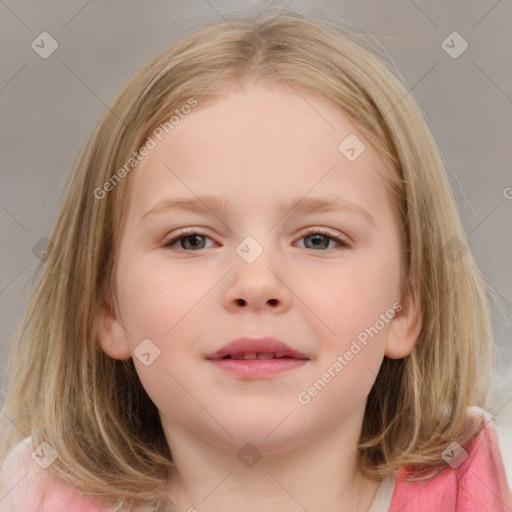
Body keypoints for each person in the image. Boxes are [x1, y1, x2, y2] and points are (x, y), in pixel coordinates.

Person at [0, 7, 510, 512]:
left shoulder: (495, 479)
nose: (256, 282)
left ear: (404, 305)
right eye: (192, 241)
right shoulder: (30, 497)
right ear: (108, 306)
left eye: (318, 240)